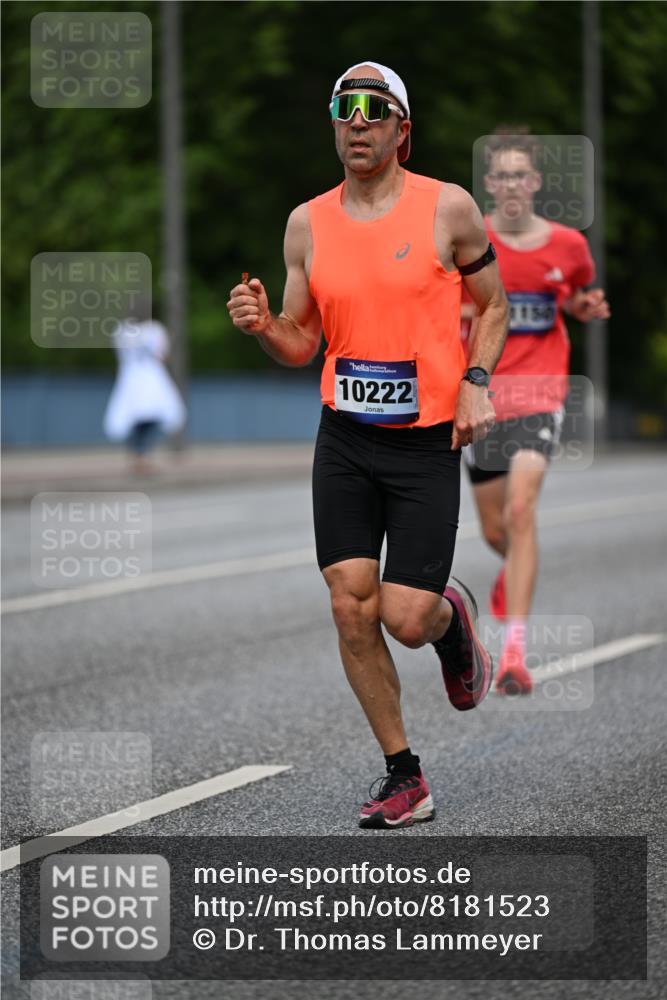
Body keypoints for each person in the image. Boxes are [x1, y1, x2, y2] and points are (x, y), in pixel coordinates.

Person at [227, 62, 508, 829]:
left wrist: (476, 378)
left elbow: (493, 304)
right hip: (345, 437)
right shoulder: (306, 223)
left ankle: (449, 619)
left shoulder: (446, 209)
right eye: (344, 108)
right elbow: (300, 341)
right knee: (351, 606)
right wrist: (262, 328)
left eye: (374, 109)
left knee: (404, 619)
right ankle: (403, 774)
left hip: (423, 442)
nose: (357, 120)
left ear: (400, 129)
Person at [461, 128, 610, 694]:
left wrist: (583, 304)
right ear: (491, 184)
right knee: (497, 528)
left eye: (522, 174)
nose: (512, 185)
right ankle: (512, 575)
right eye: (501, 175)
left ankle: (515, 651)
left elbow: (569, 293)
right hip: (482, 395)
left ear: (536, 182)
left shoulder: (568, 244)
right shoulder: (472, 242)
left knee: (522, 511)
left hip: (542, 392)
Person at [103, 303, 186, 475]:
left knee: (146, 417)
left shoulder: (130, 330)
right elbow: (162, 354)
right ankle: (140, 456)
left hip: (142, 379)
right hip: (141, 379)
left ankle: (140, 455)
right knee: (138, 418)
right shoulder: (143, 330)